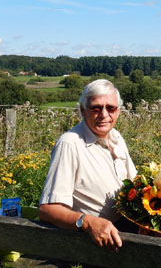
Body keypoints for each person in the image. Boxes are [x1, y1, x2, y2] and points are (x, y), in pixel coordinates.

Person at [39, 79, 137, 250]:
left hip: (128, 227)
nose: (104, 115)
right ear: (83, 111)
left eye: (110, 108)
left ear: (119, 111)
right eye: (96, 108)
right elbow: (48, 210)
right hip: (96, 243)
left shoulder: (116, 137)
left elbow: (134, 182)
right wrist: (88, 222)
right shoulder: (70, 144)